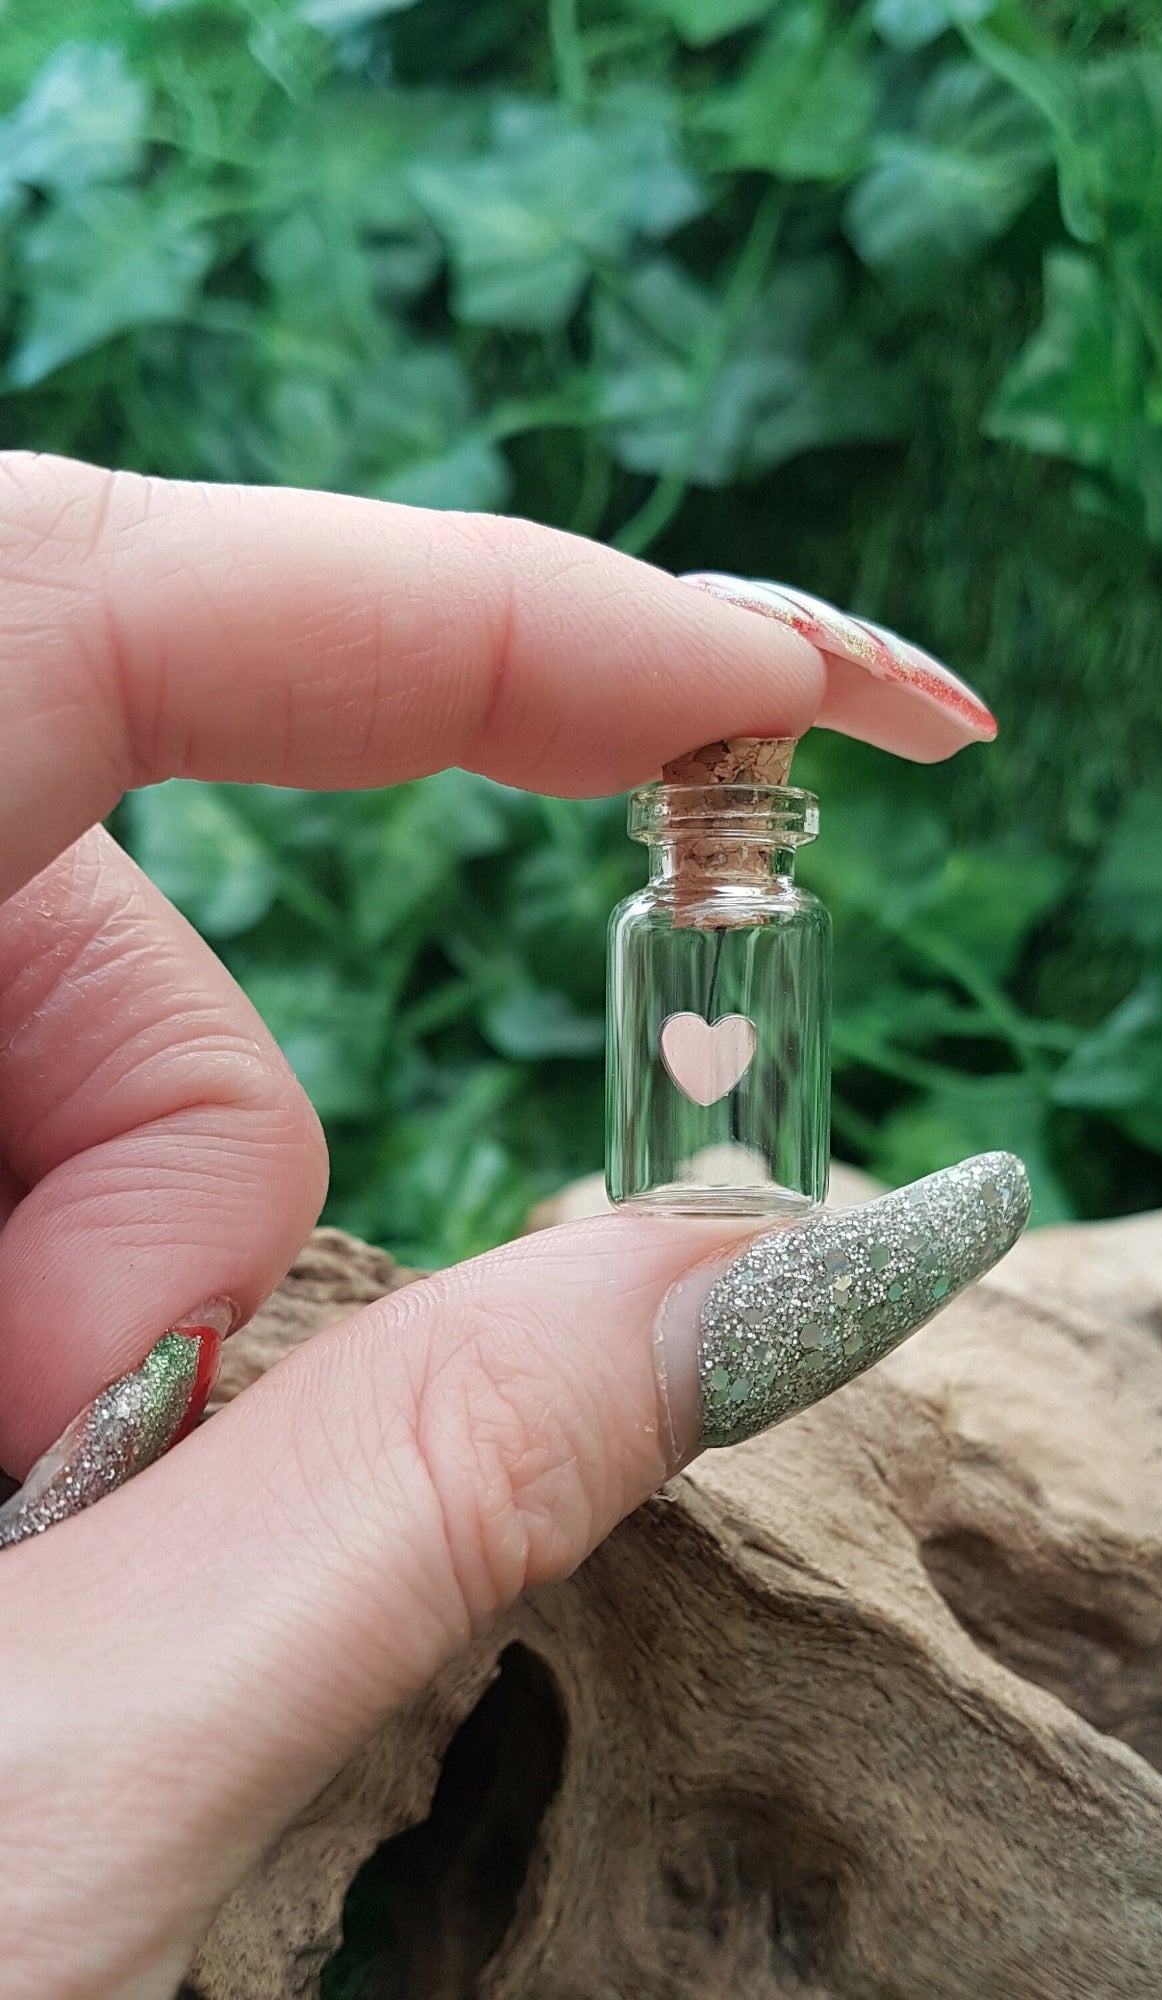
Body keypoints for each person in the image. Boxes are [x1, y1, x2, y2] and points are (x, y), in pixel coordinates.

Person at [0, 452, 1025, 1998]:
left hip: (720, 1228)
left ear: (777, 833)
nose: (726, 869)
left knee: (719, 1175)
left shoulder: (765, 924)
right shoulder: (654, 924)